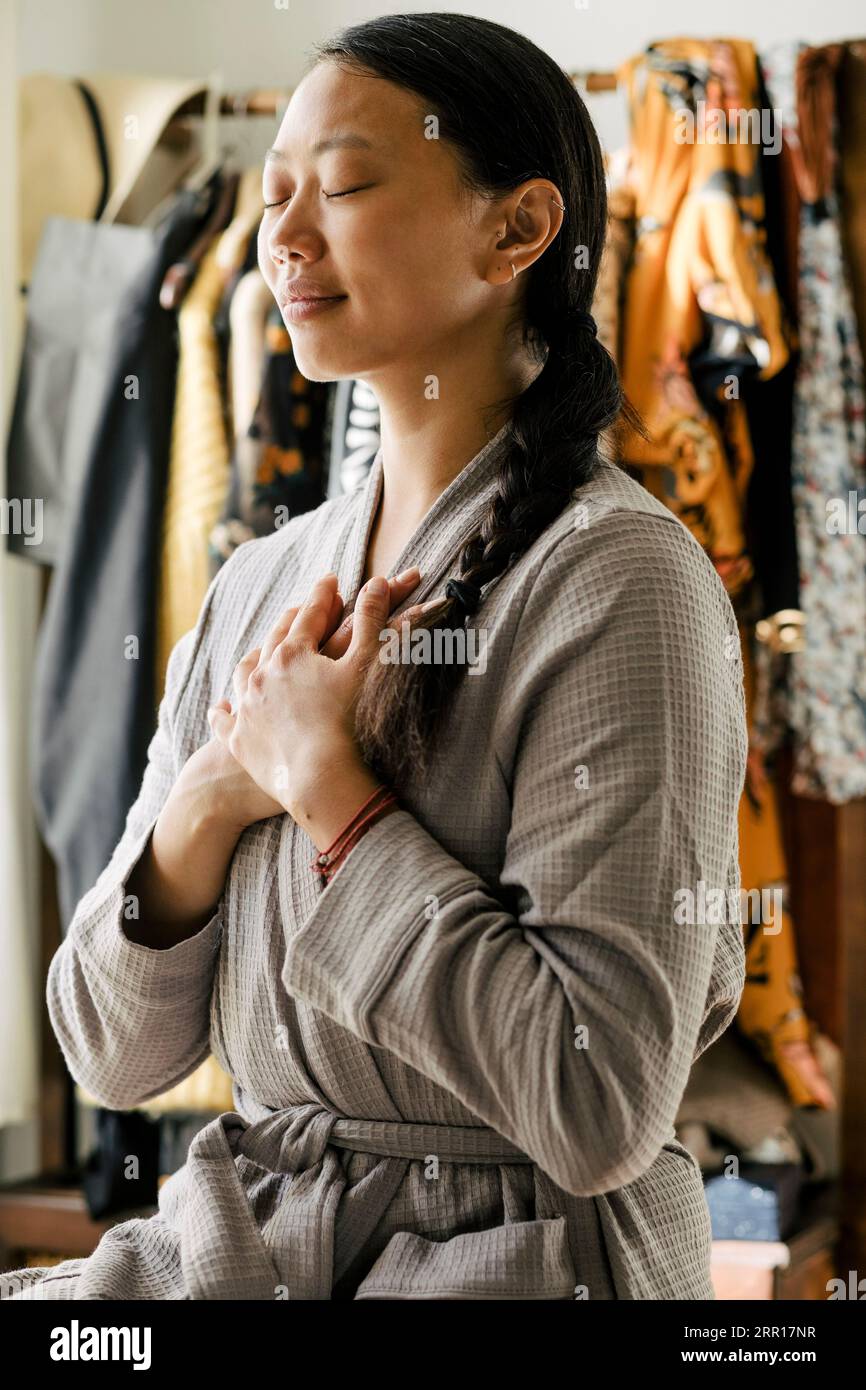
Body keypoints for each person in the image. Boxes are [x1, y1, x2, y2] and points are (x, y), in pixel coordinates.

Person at [2, 12, 746, 1301]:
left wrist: (333, 798)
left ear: (518, 230)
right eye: (276, 191)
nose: (282, 239)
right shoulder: (260, 586)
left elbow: (594, 1101)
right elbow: (110, 1055)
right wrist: (214, 797)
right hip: (244, 1244)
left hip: (512, 1265)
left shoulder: (623, 585)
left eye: (342, 188)